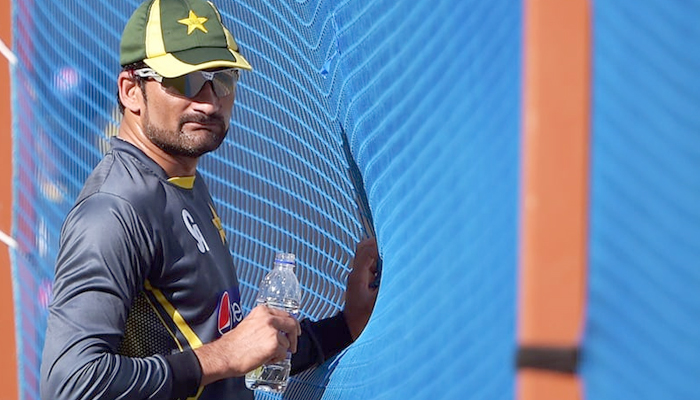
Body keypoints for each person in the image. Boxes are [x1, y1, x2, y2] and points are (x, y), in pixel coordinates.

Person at [39, 0, 379, 399]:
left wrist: (344, 326)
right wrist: (223, 355)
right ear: (132, 91)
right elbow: (71, 383)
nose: (208, 100)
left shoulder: (179, 180)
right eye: (184, 80)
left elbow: (223, 356)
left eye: (222, 78)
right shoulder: (114, 210)